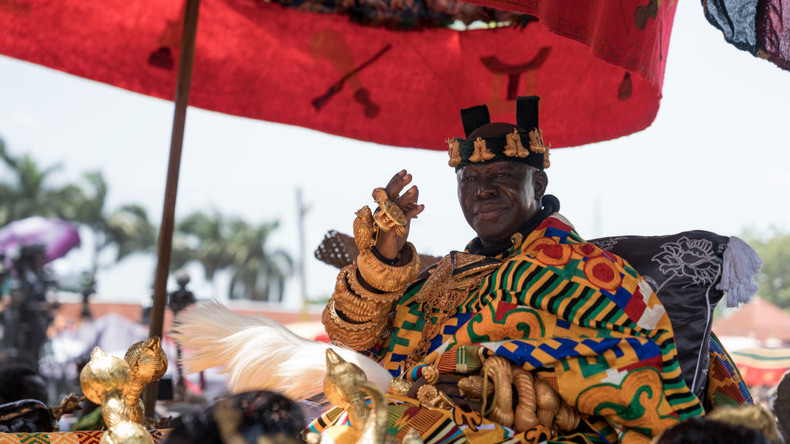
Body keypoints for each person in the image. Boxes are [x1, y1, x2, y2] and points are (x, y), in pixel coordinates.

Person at [317, 96, 705, 443]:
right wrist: (383, 258)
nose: (481, 190)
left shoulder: (587, 271)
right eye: (469, 179)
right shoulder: (440, 275)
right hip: (387, 418)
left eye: (501, 175)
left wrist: (492, 388)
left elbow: (635, 372)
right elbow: (351, 347)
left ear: (538, 183)